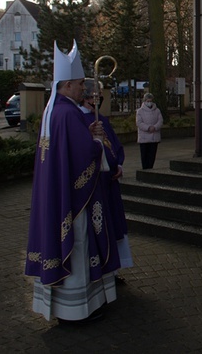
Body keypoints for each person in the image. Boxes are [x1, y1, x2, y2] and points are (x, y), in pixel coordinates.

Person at [25, 41, 120, 323]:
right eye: (79, 84)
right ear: (66, 86)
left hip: (55, 193)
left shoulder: (52, 111)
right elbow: (84, 154)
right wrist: (97, 141)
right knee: (77, 247)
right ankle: (75, 310)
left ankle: (74, 307)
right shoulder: (67, 113)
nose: (84, 89)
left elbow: (66, 149)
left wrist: (87, 132)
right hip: (72, 199)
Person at [81, 84, 133, 277]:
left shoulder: (101, 119)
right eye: (96, 96)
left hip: (110, 182)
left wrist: (119, 164)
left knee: (114, 223)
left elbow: (114, 145)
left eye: (100, 96)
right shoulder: (81, 120)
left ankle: (115, 267)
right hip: (96, 183)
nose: (99, 100)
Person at [136, 92, 163, 170]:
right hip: (144, 137)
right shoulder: (140, 111)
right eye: (147, 101)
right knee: (144, 155)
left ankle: (150, 168)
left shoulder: (157, 110)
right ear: (144, 101)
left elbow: (160, 121)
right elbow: (139, 123)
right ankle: (145, 169)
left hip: (154, 136)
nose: (149, 102)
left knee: (152, 155)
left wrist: (155, 127)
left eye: (150, 100)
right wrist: (148, 128)